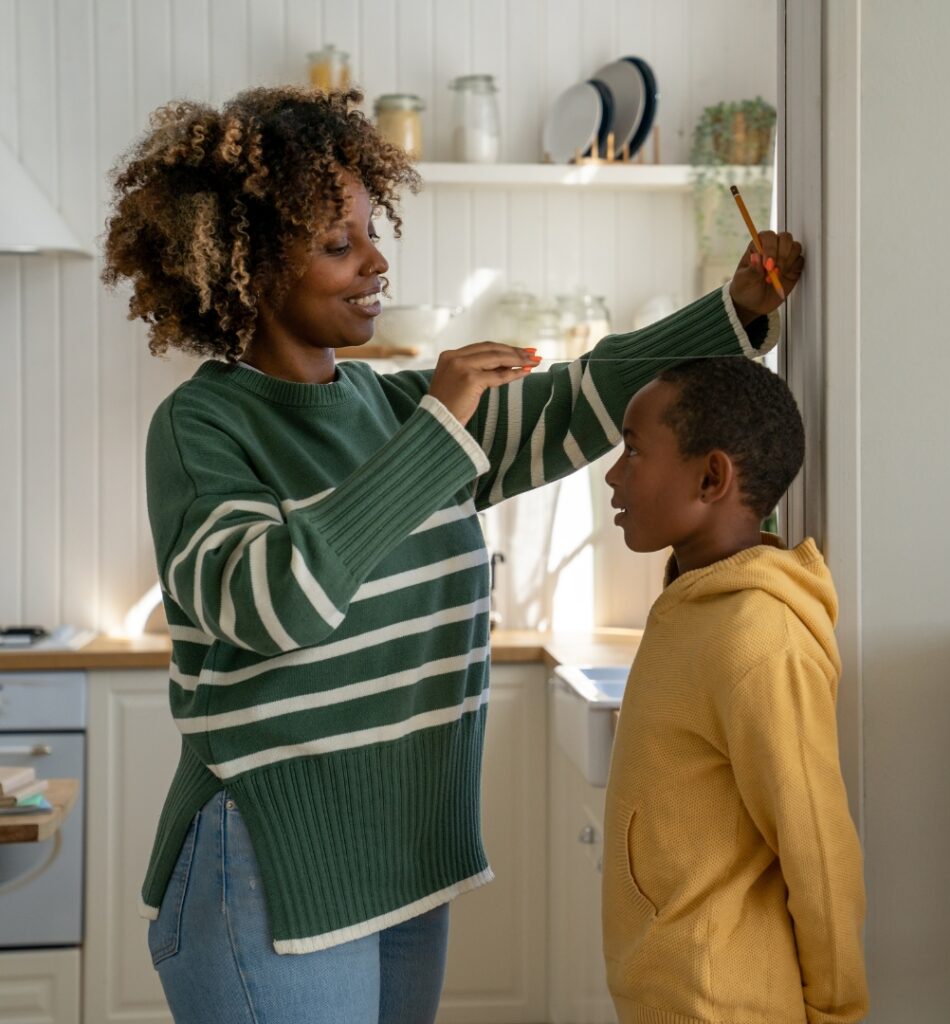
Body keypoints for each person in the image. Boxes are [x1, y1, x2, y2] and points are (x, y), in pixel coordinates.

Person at [101, 84, 803, 1024]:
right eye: (337, 244)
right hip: (270, 872)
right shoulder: (204, 426)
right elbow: (272, 605)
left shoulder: (390, 407)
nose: (375, 260)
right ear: (251, 267)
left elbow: (579, 398)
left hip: (403, 863)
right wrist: (439, 430)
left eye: (368, 232)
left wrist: (735, 312)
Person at [601, 356, 869, 1023]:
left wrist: (838, 1011)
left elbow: (817, 844)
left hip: (721, 1003)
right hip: (669, 991)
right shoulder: (697, 604)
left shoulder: (757, 636)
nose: (613, 473)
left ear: (711, 475)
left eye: (634, 449)